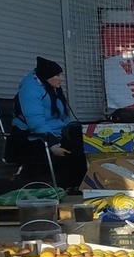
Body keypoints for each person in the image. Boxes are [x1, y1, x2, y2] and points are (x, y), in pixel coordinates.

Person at [12, 56, 87, 190]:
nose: (61, 78)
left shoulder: (52, 86)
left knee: (83, 140)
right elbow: (35, 121)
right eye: (57, 75)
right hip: (31, 137)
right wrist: (53, 144)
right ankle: (72, 186)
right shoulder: (30, 89)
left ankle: (81, 185)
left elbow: (62, 115)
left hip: (54, 131)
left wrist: (69, 130)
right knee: (73, 151)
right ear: (47, 77)